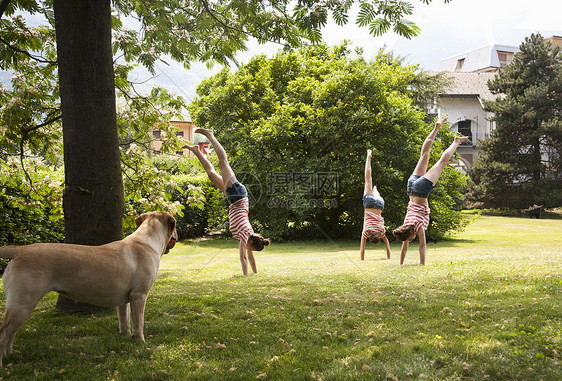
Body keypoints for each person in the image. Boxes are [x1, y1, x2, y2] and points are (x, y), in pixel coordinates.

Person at [185, 128, 270, 276]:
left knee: (211, 175)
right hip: (238, 195)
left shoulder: (249, 236)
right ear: (250, 243)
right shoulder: (245, 234)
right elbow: (243, 257)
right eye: (252, 249)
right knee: (223, 162)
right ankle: (210, 135)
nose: (250, 251)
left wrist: (255, 274)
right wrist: (245, 276)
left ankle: (197, 151)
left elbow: (249, 257)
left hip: (234, 198)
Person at [392, 116, 468, 265]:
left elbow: (422, 246)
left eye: (410, 238)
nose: (411, 240)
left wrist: (422, 265)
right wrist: (400, 264)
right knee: (424, 154)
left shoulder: (417, 227)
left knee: (442, 162)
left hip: (421, 190)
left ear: (410, 233)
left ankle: (456, 142)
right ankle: (436, 128)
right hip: (411, 187)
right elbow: (405, 247)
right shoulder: (406, 223)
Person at [360, 149, 391, 260]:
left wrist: (389, 257)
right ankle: (368, 158)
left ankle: (376, 192)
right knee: (368, 179)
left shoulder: (382, 231)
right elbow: (362, 248)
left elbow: (387, 245)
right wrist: (361, 259)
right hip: (369, 205)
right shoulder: (366, 232)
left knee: (375, 192)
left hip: (379, 205)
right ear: (370, 237)